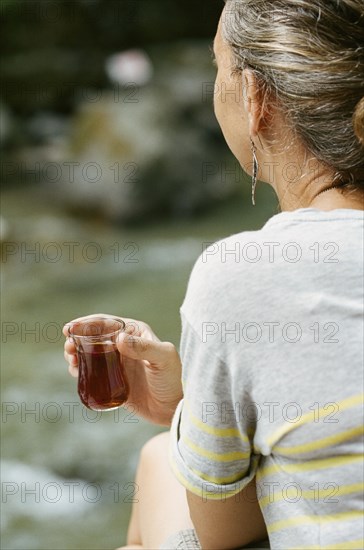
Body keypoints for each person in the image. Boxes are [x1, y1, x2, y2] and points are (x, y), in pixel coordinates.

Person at [63, 1, 364, 548]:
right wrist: (192, 400)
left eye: (218, 67)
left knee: (161, 474)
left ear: (254, 99)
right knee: (161, 460)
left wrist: (186, 414)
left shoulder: (240, 273)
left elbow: (222, 531)